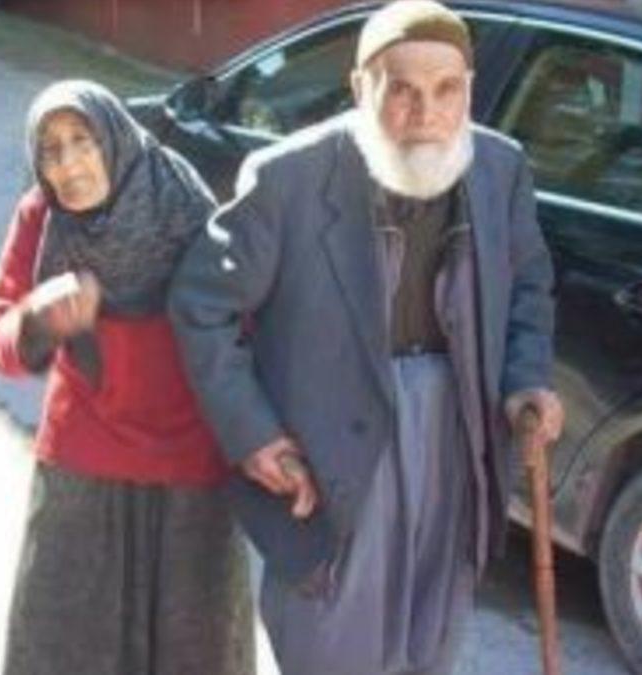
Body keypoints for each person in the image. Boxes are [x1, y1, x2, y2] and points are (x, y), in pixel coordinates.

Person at [167, 2, 565, 673]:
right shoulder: (288, 177)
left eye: (447, 90)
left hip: (458, 428)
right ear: (360, 88)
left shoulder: (501, 168)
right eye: (401, 89)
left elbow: (527, 283)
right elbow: (203, 303)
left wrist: (527, 377)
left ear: (468, 89)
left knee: (431, 625)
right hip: (333, 439)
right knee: (332, 632)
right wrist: (254, 433)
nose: (427, 113)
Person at [0, 80, 253, 675]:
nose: (68, 164)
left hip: (191, 468)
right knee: (64, 649)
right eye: (50, 150)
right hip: (82, 464)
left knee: (194, 652)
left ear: (115, 137)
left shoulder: (180, 201)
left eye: (83, 140)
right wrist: (36, 319)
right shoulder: (41, 215)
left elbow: (241, 324)